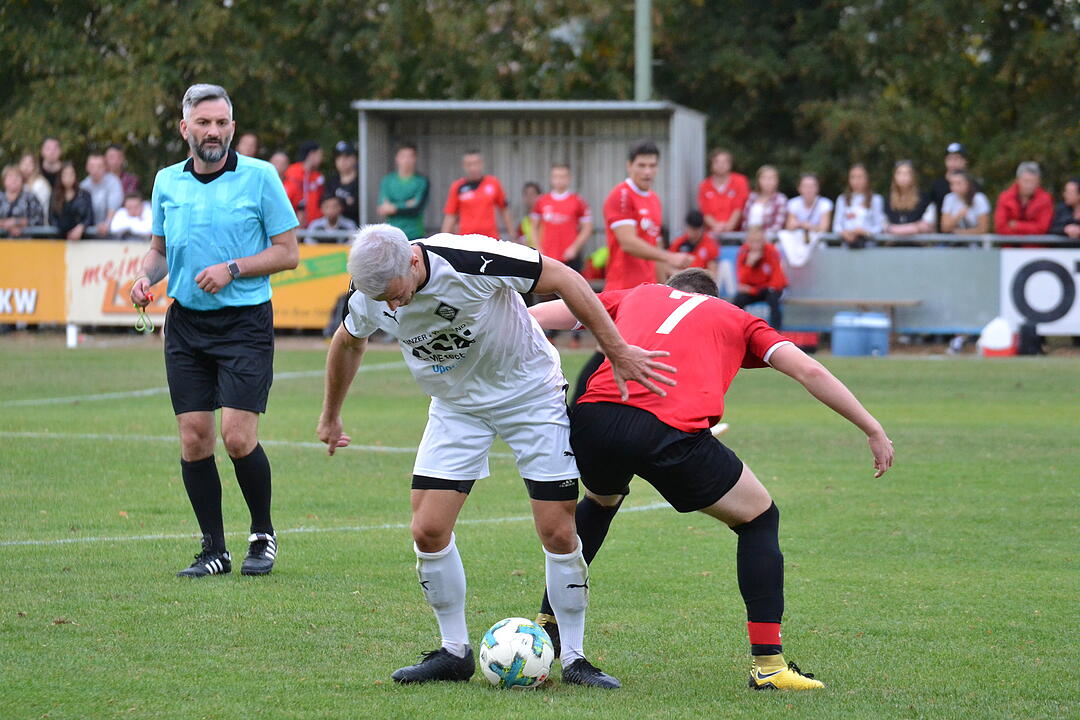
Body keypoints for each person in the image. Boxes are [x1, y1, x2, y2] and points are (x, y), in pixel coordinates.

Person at [317, 224, 675, 688]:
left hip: (530, 396)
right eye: (378, 298)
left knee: (558, 529)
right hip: (457, 408)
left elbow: (565, 278)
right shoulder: (370, 292)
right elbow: (348, 341)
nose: (390, 306)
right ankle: (453, 652)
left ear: (411, 260)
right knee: (427, 529)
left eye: (394, 294)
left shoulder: (471, 259)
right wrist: (330, 414)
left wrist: (617, 349)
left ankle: (576, 658)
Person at [527, 267, 894, 691]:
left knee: (602, 500)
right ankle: (769, 665)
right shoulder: (738, 317)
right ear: (716, 297)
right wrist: (872, 427)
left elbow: (535, 317)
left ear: (670, 288)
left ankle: (547, 627)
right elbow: (808, 371)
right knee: (759, 517)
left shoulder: (638, 294)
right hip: (667, 431)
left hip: (593, 419)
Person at [129, 83, 300, 579]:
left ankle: (262, 534)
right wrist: (145, 277)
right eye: (203, 123)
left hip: (245, 322)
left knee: (238, 437)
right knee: (194, 438)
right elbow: (159, 250)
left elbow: (288, 253)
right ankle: (213, 550)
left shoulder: (261, 177)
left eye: (222, 123)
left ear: (232, 127)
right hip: (185, 325)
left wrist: (234, 267)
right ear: (185, 128)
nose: (214, 132)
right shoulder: (167, 181)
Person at [603, 140, 692, 292]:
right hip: (623, 289)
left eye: (652, 166)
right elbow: (628, 243)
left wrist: (665, 289)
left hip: (648, 289)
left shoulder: (654, 199)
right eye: (642, 165)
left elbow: (656, 247)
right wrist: (670, 257)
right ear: (629, 166)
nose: (647, 172)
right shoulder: (621, 195)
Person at [440, 150, 512, 239]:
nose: (472, 168)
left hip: (490, 239)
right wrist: (442, 239)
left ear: (482, 164)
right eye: (469, 164)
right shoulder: (457, 186)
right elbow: (450, 215)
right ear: (464, 166)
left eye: (476, 163)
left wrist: (513, 235)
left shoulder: (493, 183)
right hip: (466, 240)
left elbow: (504, 210)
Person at [535, 164, 593, 270]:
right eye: (556, 176)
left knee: (572, 285)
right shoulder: (542, 201)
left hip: (569, 256)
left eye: (562, 177)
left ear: (569, 178)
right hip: (547, 256)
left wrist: (574, 248)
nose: (559, 180)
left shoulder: (578, 201)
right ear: (551, 178)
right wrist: (537, 247)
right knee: (548, 286)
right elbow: (533, 226)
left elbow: (587, 227)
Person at [732, 226, 787, 329]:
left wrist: (753, 290)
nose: (756, 245)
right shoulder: (743, 252)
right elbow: (742, 281)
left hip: (767, 289)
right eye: (752, 242)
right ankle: (735, 330)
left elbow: (777, 281)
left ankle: (776, 335)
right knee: (738, 301)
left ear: (763, 241)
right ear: (748, 242)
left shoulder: (771, 251)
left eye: (758, 242)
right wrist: (749, 264)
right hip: (753, 290)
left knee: (773, 299)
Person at [376, 143, 428, 239]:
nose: (406, 160)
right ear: (397, 158)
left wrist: (393, 207)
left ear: (415, 159)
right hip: (392, 234)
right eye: (403, 156)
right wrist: (407, 204)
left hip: (415, 233)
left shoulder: (422, 181)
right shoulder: (387, 180)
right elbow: (382, 208)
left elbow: (416, 208)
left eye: (410, 156)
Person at [698, 148, 750, 236]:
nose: (720, 165)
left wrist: (729, 227)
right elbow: (705, 212)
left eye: (724, 162)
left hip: (736, 234)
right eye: (717, 162)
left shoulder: (740, 181)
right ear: (711, 165)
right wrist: (716, 227)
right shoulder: (704, 185)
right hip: (712, 234)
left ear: (730, 164)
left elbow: (739, 207)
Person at [832, 164, 885, 248]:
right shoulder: (842, 199)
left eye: (860, 177)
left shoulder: (876, 199)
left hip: (869, 247)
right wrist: (844, 233)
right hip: (846, 247)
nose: (856, 181)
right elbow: (836, 226)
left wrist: (865, 232)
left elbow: (880, 226)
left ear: (866, 179)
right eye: (853, 177)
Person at [994, 162, 1054, 236]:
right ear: (1017, 181)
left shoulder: (1045, 199)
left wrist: (1016, 225)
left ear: (1038, 182)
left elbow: (1042, 228)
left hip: (1035, 246)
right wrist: (1031, 227)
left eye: (1032, 182)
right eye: (1026, 181)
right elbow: (1000, 228)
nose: (1029, 186)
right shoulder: (1005, 198)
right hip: (1010, 246)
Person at [883, 160, 935, 235]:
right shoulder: (887, 199)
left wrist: (894, 229)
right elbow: (883, 225)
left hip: (918, 244)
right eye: (899, 173)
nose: (903, 177)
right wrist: (915, 227)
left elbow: (927, 225)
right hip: (893, 245)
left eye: (906, 173)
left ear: (913, 176)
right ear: (894, 176)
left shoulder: (924, 198)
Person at [929, 142, 972, 228]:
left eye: (957, 159)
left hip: (969, 236)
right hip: (943, 237)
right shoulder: (937, 185)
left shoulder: (973, 185)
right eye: (950, 159)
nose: (953, 162)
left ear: (964, 161)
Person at [80, 152, 124, 237]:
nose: (95, 170)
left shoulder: (114, 182)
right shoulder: (83, 186)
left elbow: (114, 206)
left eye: (99, 166)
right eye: (92, 166)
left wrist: (107, 224)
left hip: (110, 232)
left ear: (105, 167)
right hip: (88, 233)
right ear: (87, 167)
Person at [284, 140, 325, 226]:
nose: (322, 158)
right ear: (312, 154)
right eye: (320, 154)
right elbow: (287, 197)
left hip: (313, 226)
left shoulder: (318, 177)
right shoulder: (293, 172)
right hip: (293, 224)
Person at [49, 162, 94, 240]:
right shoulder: (54, 196)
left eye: (71, 174)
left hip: (82, 240)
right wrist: (64, 230)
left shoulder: (84, 195)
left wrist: (81, 227)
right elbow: (52, 218)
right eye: (65, 174)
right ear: (60, 176)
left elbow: (89, 217)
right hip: (60, 240)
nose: (68, 178)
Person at [0, 165, 46, 237]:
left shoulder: (30, 197)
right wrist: (6, 225)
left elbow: (39, 219)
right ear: (4, 180)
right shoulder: (1, 197)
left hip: (26, 243)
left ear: (22, 180)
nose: (14, 180)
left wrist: (18, 222)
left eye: (17, 176)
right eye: (10, 176)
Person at [669, 210, 718, 275]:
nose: (694, 233)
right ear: (687, 227)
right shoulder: (678, 242)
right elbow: (667, 263)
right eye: (692, 229)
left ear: (703, 228)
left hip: (701, 281)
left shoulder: (710, 245)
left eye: (697, 230)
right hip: (680, 280)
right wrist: (675, 273)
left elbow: (713, 273)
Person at [741, 166, 787, 235]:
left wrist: (760, 237)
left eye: (771, 178)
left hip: (770, 241)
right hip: (748, 239)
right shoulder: (752, 197)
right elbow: (745, 221)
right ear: (758, 180)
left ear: (777, 181)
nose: (767, 182)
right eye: (764, 178)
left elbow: (777, 226)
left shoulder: (780, 199)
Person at [326, 140, 361, 225]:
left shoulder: (361, 182)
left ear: (354, 158)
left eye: (346, 157)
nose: (342, 161)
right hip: (333, 230)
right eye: (338, 157)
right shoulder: (333, 181)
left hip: (355, 229)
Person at [516, 181, 542, 247]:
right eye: (526, 194)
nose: (529, 197)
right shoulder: (523, 223)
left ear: (540, 196)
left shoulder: (547, 219)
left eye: (532, 194)